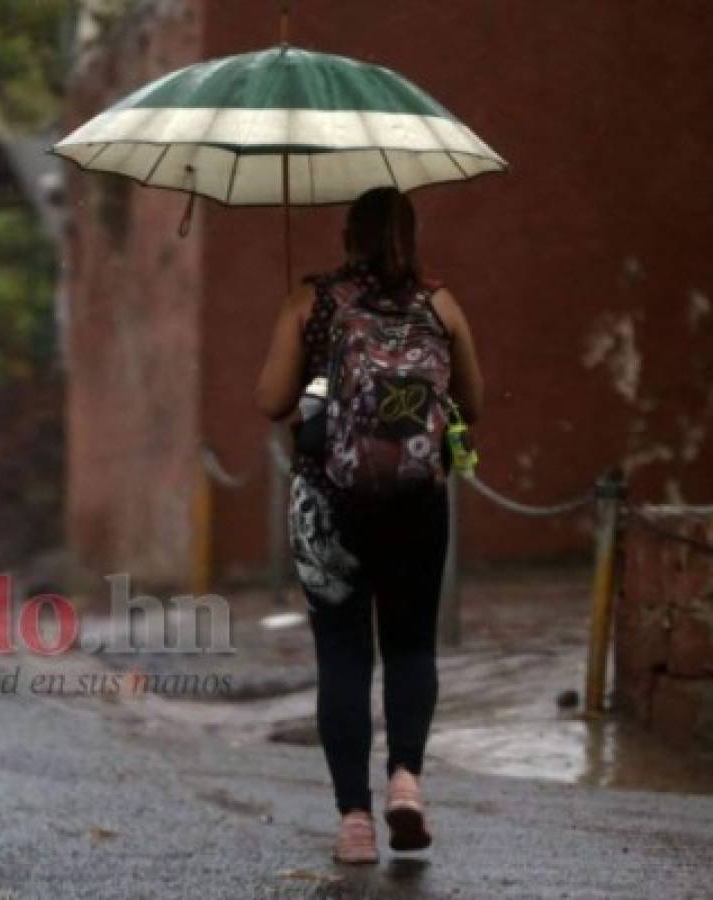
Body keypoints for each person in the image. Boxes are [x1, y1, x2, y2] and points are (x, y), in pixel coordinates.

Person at [255, 187, 484, 864]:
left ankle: (353, 821)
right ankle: (405, 782)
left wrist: (301, 338)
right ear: (409, 236)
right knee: (412, 648)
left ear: (347, 233)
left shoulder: (311, 302)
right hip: (416, 500)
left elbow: (270, 401)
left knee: (343, 655)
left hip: (327, 504)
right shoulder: (439, 304)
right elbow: (470, 401)